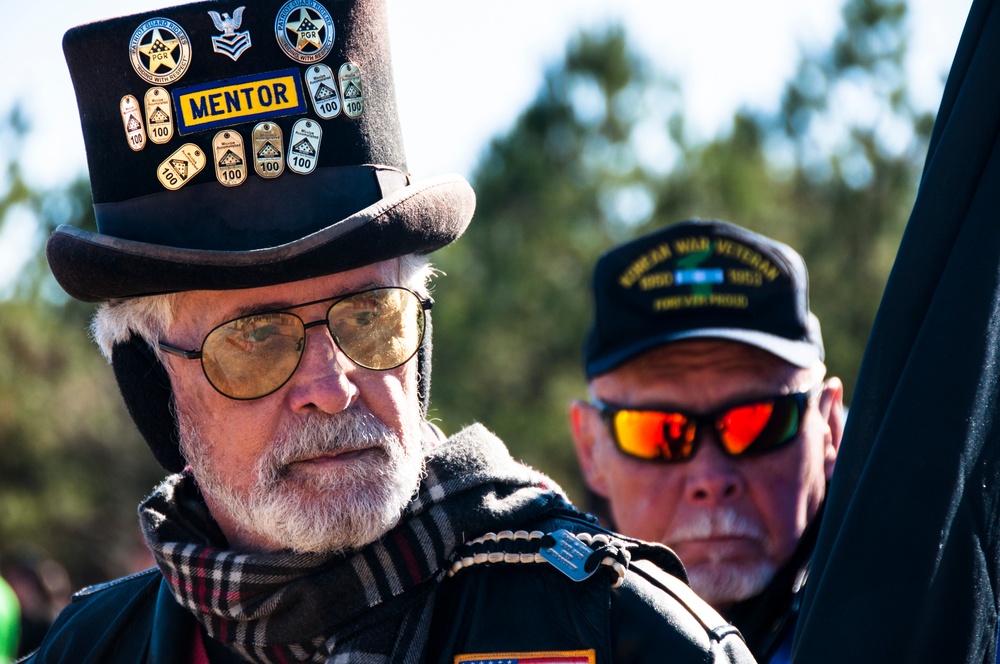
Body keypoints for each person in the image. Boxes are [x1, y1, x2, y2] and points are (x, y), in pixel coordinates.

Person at [25, 2, 756, 662]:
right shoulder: (85, 652)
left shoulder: (615, 631)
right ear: (155, 380)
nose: (332, 386)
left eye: (369, 319)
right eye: (254, 341)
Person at [569, 219, 845, 663]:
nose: (711, 478)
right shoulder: (532, 633)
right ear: (590, 448)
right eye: (659, 431)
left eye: (758, 423)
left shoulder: (931, 624)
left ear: (829, 426)